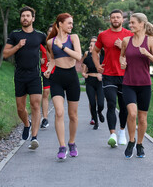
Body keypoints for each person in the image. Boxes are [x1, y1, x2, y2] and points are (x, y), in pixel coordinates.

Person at [3, 6, 46, 150]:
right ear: (21, 18)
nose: (25, 18)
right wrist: (18, 46)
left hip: (35, 75)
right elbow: (5, 54)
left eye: (28, 16)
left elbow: (50, 51)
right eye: (23, 16)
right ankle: (26, 124)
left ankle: (34, 137)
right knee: (20, 108)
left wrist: (50, 64)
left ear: (33, 18)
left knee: (35, 105)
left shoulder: (40, 35)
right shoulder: (15, 34)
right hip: (20, 76)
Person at [119, 13, 153, 158]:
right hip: (128, 83)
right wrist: (122, 62)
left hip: (144, 84)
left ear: (142, 24)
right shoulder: (126, 40)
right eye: (129, 23)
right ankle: (131, 141)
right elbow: (122, 55)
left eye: (133, 23)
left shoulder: (150, 42)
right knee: (132, 113)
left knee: (142, 118)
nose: (130, 25)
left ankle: (140, 144)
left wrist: (147, 54)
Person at [92, 9, 133, 148]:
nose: (115, 19)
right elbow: (95, 51)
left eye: (118, 17)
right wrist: (98, 66)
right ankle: (112, 134)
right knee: (111, 104)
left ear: (122, 20)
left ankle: (122, 131)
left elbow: (136, 54)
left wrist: (122, 46)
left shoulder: (129, 35)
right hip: (109, 75)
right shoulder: (103, 35)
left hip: (125, 75)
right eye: (113, 17)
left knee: (124, 107)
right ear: (110, 20)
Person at [44, 13, 82, 160]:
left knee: (73, 115)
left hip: (72, 78)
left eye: (72, 23)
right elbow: (52, 59)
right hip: (57, 78)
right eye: (69, 23)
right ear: (60, 24)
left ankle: (72, 143)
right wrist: (48, 69)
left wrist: (63, 47)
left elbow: (78, 56)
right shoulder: (50, 42)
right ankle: (61, 146)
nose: (71, 26)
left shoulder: (73, 38)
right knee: (59, 112)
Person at [82, 37, 105, 130]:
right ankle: (96, 122)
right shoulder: (87, 58)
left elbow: (108, 70)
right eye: (90, 45)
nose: (90, 47)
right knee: (92, 103)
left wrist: (102, 75)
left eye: (92, 46)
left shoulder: (103, 57)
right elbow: (83, 70)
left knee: (101, 104)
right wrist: (84, 74)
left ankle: (99, 112)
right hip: (90, 82)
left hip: (100, 82)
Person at [40, 25, 54, 129]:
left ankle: (59, 115)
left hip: (57, 71)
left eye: (52, 31)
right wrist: (39, 60)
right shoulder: (42, 45)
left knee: (58, 95)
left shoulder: (59, 44)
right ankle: (45, 118)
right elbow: (32, 53)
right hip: (45, 71)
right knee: (46, 93)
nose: (50, 33)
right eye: (49, 32)